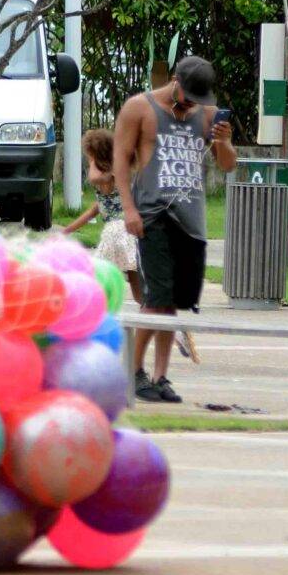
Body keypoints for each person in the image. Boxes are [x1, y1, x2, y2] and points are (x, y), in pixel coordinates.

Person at [114, 54, 235, 404]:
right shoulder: (139, 108)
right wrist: (129, 209)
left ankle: (160, 376)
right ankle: (132, 372)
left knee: (173, 305)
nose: (191, 104)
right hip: (153, 213)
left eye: (199, 99)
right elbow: (122, 159)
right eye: (188, 96)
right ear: (174, 81)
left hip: (191, 219)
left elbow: (227, 165)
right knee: (157, 299)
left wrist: (224, 141)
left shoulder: (208, 115)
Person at [63, 128, 146, 314]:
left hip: (117, 230)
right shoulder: (113, 175)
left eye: (89, 155)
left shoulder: (112, 174)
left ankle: (91, 310)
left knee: (98, 274)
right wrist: (68, 229)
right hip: (127, 232)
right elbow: (94, 210)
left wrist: (93, 159)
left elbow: (94, 177)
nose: (87, 160)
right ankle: (148, 308)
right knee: (134, 279)